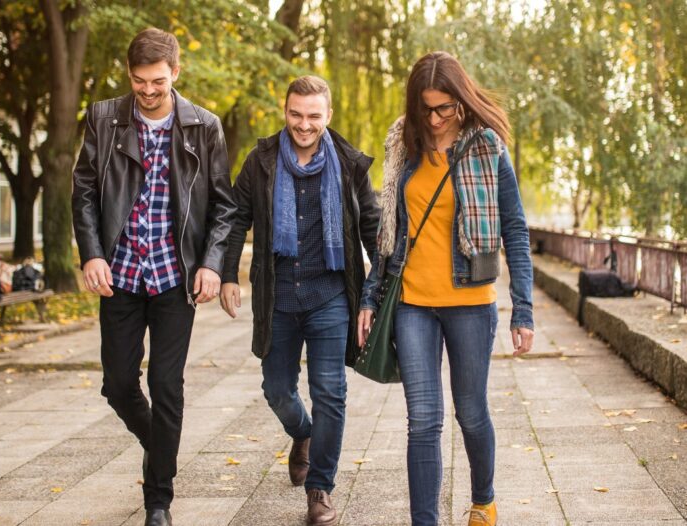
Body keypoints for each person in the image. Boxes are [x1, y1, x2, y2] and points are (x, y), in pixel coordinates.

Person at [357, 51, 534, 526]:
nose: (434, 120)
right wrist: (370, 296)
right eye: (426, 109)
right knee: (423, 421)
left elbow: (515, 230)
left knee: (471, 414)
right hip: (413, 304)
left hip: (470, 304)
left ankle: (484, 498)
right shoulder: (404, 145)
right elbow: (388, 233)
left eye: (444, 109)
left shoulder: (487, 147)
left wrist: (524, 311)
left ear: (461, 100)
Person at [72, 28, 236, 526]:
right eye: (139, 81)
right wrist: (91, 254)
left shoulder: (204, 127)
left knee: (167, 386)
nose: (148, 90)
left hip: (173, 277)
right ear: (130, 75)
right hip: (118, 275)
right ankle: (160, 447)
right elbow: (82, 192)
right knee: (119, 385)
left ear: (176, 74)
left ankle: (158, 499)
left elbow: (224, 206)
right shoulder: (103, 118)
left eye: (158, 82)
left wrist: (211, 263)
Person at [220, 76, 380, 526]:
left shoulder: (349, 164)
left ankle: (320, 489)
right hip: (277, 294)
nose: (303, 125)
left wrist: (379, 290)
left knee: (331, 393)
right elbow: (236, 218)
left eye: (313, 116)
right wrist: (228, 273)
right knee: (276, 390)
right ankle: (304, 435)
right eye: (296, 114)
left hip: (330, 294)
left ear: (328, 116)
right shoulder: (261, 160)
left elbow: (371, 228)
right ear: (284, 110)